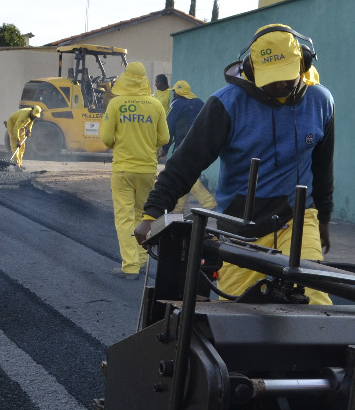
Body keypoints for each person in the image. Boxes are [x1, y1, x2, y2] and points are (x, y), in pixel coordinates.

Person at [136, 24, 335, 304]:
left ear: (303, 63)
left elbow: (323, 166)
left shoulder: (320, 102)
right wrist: (152, 212)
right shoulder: (226, 105)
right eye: (271, 78)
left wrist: (323, 218)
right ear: (252, 70)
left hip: (297, 220)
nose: (279, 85)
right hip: (240, 227)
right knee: (235, 315)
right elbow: (186, 163)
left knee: (312, 304)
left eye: (286, 77)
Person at [101, 62, 169, 279]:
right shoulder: (155, 104)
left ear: (126, 78)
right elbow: (164, 138)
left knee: (124, 217)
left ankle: (130, 266)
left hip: (123, 170)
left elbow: (105, 138)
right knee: (143, 215)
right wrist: (148, 143)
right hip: (148, 170)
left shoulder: (116, 104)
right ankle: (141, 260)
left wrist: (118, 143)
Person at [164, 80, 217, 214]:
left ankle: (210, 204)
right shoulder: (199, 103)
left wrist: (164, 148)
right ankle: (177, 210)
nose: (173, 94)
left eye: (174, 92)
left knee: (187, 177)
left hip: (184, 146)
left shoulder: (176, 104)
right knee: (183, 176)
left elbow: (168, 126)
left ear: (176, 92)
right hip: (202, 146)